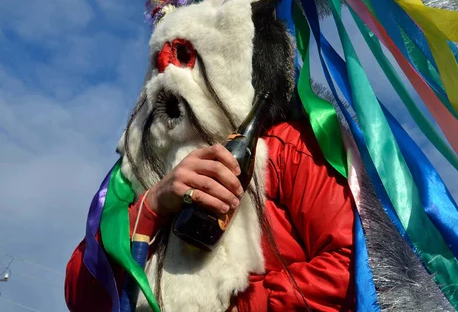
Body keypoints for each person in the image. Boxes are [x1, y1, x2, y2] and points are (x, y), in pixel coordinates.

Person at [65, 120, 356, 311]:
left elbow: (355, 267)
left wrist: (243, 306)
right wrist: (152, 205)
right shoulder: (140, 169)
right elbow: (82, 297)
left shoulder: (288, 144)